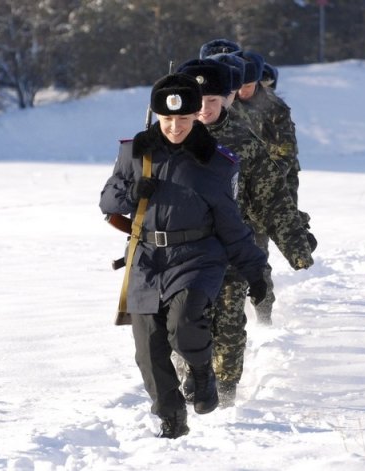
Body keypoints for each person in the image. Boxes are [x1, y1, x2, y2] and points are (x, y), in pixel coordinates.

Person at [99, 73, 267, 439]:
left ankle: (202, 372)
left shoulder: (217, 163)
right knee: (149, 351)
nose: (175, 127)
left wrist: (255, 270)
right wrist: (132, 188)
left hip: (197, 256)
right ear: (157, 117)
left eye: (184, 119)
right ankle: (172, 419)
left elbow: (230, 222)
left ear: (195, 118)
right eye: (168, 119)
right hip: (145, 259)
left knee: (185, 324)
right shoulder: (133, 152)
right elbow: (107, 202)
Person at [176, 58, 314, 406]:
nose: (203, 108)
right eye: (197, 99)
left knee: (229, 326)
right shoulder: (169, 137)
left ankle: (224, 396)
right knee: (183, 322)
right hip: (181, 253)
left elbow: (272, 198)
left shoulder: (244, 142)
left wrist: (295, 244)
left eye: (212, 100)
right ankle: (191, 377)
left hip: (230, 250)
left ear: (228, 99)